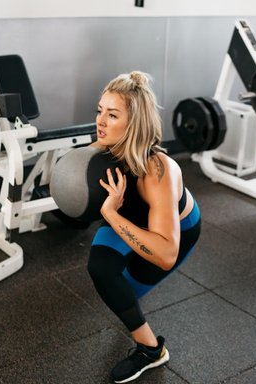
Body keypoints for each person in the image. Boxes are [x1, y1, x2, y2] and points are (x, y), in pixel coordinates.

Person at [87, 71, 201, 383]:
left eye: (112, 115)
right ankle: (146, 341)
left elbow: (165, 253)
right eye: (100, 111)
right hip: (130, 214)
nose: (100, 121)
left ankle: (152, 352)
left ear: (134, 123)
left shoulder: (158, 170)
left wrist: (110, 215)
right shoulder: (105, 147)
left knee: (132, 285)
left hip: (177, 229)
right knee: (102, 270)